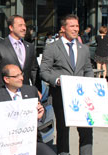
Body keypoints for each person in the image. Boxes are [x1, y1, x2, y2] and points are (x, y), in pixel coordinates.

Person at [40, 14, 93, 155]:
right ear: (63, 28)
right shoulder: (52, 48)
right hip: (61, 95)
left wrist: (89, 83)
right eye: (72, 26)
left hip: (82, 97)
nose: (76, 29)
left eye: (77, 26)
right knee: (63, 131)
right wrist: (58, 81)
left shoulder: (84, 49)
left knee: (86, 131)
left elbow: (88, 69)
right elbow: (44, 71)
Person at [0, 64, 56, 155]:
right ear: (6, 79)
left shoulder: (31, 91)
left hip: (32, 140)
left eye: (21, 74)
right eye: (17, 76)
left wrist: (40, 116)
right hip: (9, 144)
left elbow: (42, 114)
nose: (21, 78)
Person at [0, 15, 40, 96]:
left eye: (24, 25)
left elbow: (34, 71)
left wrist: (36, 90)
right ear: (11, 28)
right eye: (20, 25)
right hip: (5, 94)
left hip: (25, 93)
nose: (24, 28)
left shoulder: (29, 47)